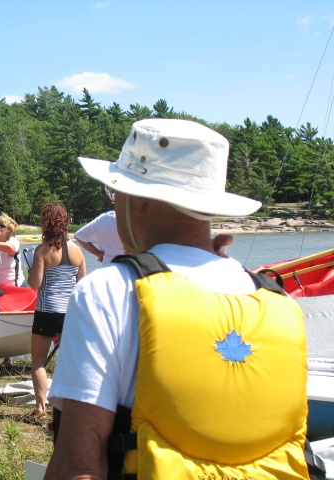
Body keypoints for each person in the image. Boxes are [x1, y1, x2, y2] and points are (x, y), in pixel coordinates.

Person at [45, 119, 315, 479]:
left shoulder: (107, 291)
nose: (115, 201)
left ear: (138, 201)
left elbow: (78, 467)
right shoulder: (279, 303)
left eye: (116, 192)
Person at [27, 202, 85, 421]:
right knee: (69, 360)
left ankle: (41, 408)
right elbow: (82, 285)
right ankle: (69, 407)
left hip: (47, 310)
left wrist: (32, 268)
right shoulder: (77, 251)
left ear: (46, 223)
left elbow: (34, 283)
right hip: (69, 312)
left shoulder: (42, 251)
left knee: (39, 360)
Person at [0, 213, 27, 367]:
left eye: (2, 226)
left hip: (16, 288)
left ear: (9, 231)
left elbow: (11, 249)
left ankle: (8, 358)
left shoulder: (12, 241)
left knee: (13, 321)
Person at [74, 187, 125, 265]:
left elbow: (79, 236)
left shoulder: (103, 219)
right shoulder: (136, 219)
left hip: (109, 267)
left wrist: (98, 253)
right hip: (133, 268)